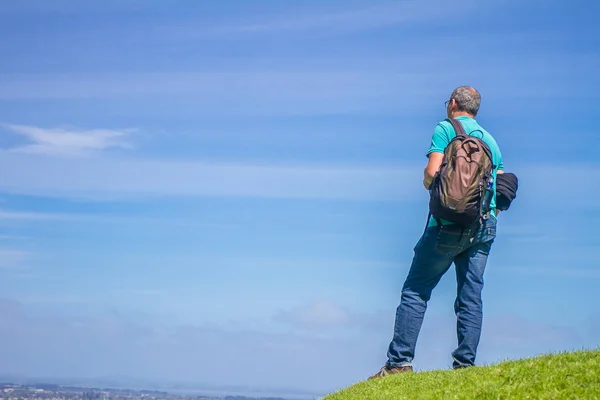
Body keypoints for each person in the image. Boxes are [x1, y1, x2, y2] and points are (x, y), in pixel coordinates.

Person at [369, 86, 505, 378]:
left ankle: (399, 363)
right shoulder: (491, 142)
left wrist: (430, 184)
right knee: (470, 296)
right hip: (484, 226)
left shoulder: (446, 128)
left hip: (445, 226)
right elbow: (501, 184)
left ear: (453, 103)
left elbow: (432, 172)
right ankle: (465, 366)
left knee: (415, 290)